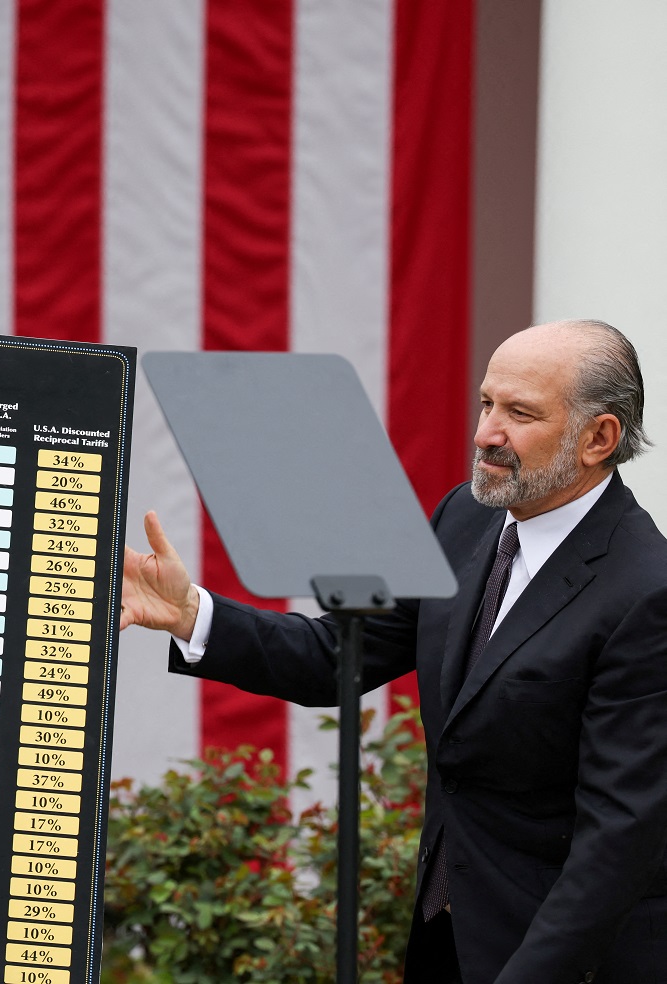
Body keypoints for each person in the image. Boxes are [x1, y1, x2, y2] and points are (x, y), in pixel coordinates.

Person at [121, 320, 667, 983]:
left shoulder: (646, 592)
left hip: (559, 960)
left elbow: (618, 841)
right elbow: (337, 654)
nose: (485, 434)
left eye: (519, 414)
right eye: (486, 403)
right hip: (445, 933)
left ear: (598, 438)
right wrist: (190, 613)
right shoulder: (463, 518)